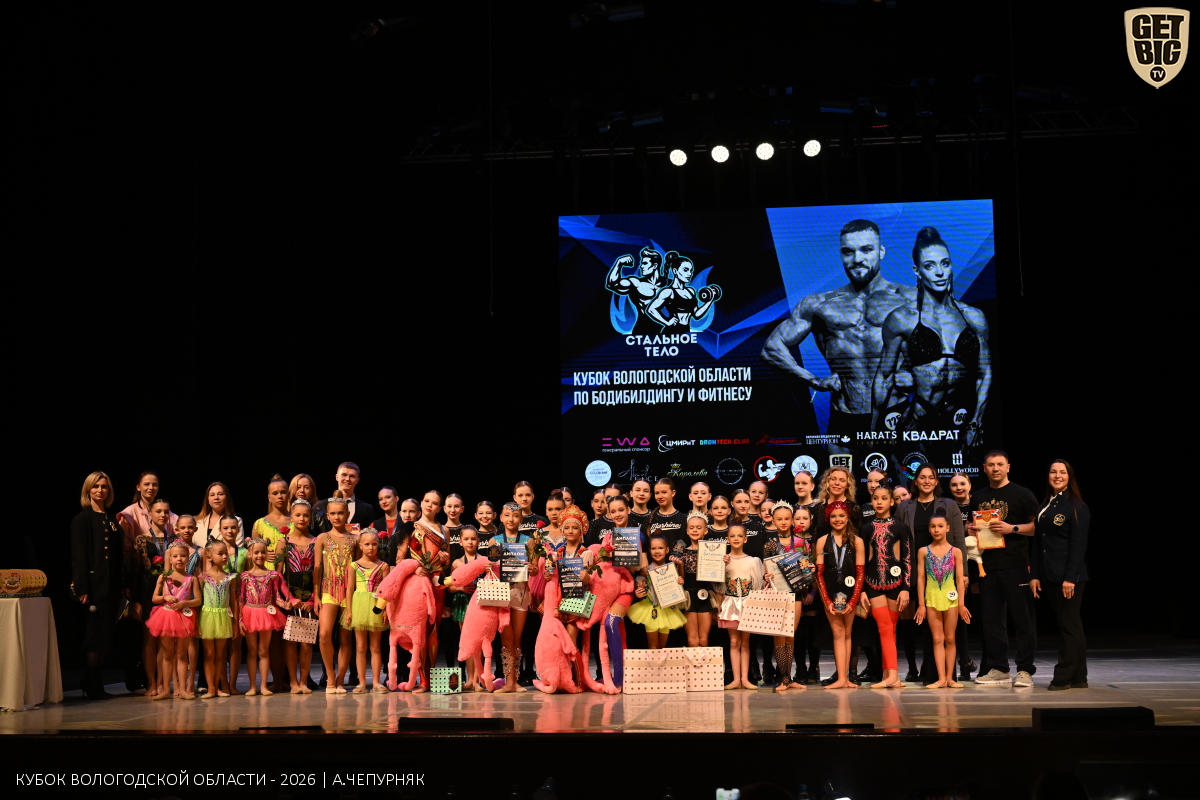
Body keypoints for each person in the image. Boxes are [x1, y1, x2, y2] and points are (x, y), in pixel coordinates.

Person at [761, 218, 911, 443]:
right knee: (837, 468)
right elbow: (771, 349)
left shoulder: (909, 300)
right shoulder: (820, 304)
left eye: (866, 250)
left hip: (896, 413)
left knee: (907, 467)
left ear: (881, 252)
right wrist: (814, 381)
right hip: (845, 415)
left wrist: (916, 375)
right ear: (841, 255)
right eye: (848, 252)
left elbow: (949, 351)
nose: (857, 259)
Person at [874, 226, 992, 447]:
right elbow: (884, 377)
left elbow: (984, 375)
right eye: (930, 266)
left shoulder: (974, 317)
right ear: (917, 271)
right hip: (919, 420)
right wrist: (873, 432)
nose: (939, 272)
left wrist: (976, 422)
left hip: (960, 419)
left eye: (945, 264)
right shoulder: (902, 319)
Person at [969, 450, 1040, 688]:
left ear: (1008, 467)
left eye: (1000, 464)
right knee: (992, 621)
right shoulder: (978, 497)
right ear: (984, 468)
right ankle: (999, 668)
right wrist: (971, 529)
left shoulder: (1022, 493)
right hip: (988, 567)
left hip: (1016, 564)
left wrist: (1013, 529)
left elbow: (1037, 527)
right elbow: (973, 526)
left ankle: (1025, 670)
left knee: (1023, 620)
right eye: (991, 465)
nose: (995, 468)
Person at [896, 463, 964, 685]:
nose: (926, 481)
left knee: (950, 633)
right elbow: (898, 540)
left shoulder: (949, 505)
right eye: (922, 477)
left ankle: (948, 676)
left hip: (947, 572)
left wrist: (963, 574)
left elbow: (959, 539)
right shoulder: (905, 507)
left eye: (931, 477)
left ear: (936, 481)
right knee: (926, 627)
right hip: (918, 571)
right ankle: (931, 674)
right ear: (915, 481)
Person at [1030, 460, 1091, 691]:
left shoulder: (1077, 506)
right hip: (1050, 574)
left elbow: (1079, 546)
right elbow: (1039, 543)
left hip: (1069, 577)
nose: (1057, 476)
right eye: (1053, 472)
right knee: (1072, 625)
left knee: (1068, 627)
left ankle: (1063, 676)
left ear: (1069, 477)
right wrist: (1035, 574)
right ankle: (1079, 676)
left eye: (1062, 472)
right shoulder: (1046, 504)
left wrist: (1070, 578)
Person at [71, 471, 123, 700]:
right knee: (94, 638)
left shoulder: (111, 518)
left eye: (104, 487)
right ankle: (91, 684)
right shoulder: (82, 519)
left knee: (104, 639)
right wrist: (82, 588)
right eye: (96, 486)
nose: (100, 490)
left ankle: (94, 683)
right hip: (93, 588)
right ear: (88, 490)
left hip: (111, 587)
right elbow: (79, 556)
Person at [862, 484, 912, 689]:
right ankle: (892, 675)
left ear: (892, 501)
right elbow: (862, 561)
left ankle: (890, 675)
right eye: (876, 498)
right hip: (872, 582)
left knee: (890, 629)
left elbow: (907, 558)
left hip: (895, 582)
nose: (879, 502)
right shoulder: (866, 528)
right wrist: (862, 590)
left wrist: (906, 588)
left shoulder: (901, 527)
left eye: (884, 498)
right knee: (884, 627)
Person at [914, 511, 970, 689]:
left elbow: (959, 580)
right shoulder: (923, 551)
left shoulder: (956, 552)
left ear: (947, 528)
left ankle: (950, 678)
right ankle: (940, 678)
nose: (936, 530)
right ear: (929, 529)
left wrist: (961, 604)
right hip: (931, 598)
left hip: (950, 597)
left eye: (940, 526)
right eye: (933, 526)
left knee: (950, 638)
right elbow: (920, 579)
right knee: (937, 639)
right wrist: (921, 604)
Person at [815, 502, 865, 689]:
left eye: (841, 516)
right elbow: (819, 573)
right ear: (828, 519)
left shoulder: (857, 541)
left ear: (848, 517)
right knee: (838, 633)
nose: (838, 519)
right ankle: (841, 678)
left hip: (850, 593)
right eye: (834, 516)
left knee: (848, 633)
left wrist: (853, 600)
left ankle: (846, 678)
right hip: (830, 593)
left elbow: (860, 573)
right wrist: (826, 600)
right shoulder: (822, 541)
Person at [762, 502, 810, 693]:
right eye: (779, 519)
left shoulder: (801, 543)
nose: (783, 522)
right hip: (777, 595)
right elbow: (765, 569)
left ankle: (788, 678)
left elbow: (806, 568)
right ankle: (783, 678)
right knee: (779, 636)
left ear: (792, 521)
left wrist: (809, 569)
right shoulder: (770, 544)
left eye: (787, 519)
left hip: (795, 593)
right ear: (773, 521)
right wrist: (766, 576)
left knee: (790, 635)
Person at [238, 539, 295, 696]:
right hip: (249, 614)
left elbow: (276, 597)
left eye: (263, 552)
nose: (260, 555)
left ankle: (263, 686)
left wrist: (285, 604)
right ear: (249, 554)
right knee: (252, 651)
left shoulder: (273, 575)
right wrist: (240, 619)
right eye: (256, 552)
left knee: (264, 651)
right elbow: (241, 599)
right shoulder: (245, 576)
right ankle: (252, 686)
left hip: (266, 614)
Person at [128, 498, 172, 697]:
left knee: (165, 641)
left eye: (166, 511)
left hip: (168, 594)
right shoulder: (141, 540)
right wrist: (135, 601)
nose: (162, 515)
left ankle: (163, 683)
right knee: (149, 640)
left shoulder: (175, 539)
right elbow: (135, 573)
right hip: (147, 593)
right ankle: (151, 683)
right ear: (150, 515)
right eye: (158, 511)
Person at [313, 498, 359, 693]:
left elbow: (358, 567)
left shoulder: (355, 539)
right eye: (333, 513)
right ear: (327, 516)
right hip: (328, 590)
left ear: (347, 514)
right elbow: (317, 567)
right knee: (324, 634)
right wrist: (316, 596)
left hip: (348, 593)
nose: (337, 517)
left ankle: (340, 679)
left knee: (345, 637)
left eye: (340, 513)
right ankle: (330, 675)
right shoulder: (322, 538)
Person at [145, 540, 199, 700]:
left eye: (183, 556)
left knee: (182, 654)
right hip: (167, 617)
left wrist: (184, 603)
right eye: (175, 556)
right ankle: (165, 690)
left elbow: (198, 600)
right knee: (167, 654)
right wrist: (165, 597)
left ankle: (182, 690)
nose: (179, 559)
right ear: (170, 559)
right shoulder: (164, 577)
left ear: (188, 558)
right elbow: (154, 598)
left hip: (184, 618)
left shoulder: (192, 579)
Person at [716, 524, 764, 690]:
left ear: (745, 539)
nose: (736, 538)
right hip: (731, 604)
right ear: (727, 539)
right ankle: (736, 679)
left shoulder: (753, 561)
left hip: (747, 604)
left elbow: (757, 586)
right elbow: (719, 585)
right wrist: (722, 566)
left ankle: (745, 679)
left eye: (739, 536)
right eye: (732, 536)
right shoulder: (723, 560)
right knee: (734, 641)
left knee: (745, 642)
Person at [277, 498, 317, 693]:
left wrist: (313, 599)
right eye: (298, 515)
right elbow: (278, 575)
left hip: (309, 599)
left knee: (307, 643)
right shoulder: (284, 542)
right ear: (291, 517)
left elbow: (319, 574)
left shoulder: (316, 541)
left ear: (311, 517)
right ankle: (293, 682)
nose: (302, 518)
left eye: (306, 515)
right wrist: (290, 599)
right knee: (291, 642)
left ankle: (303, 682)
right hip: (290, 599)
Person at [342, 531, 390, 693]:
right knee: (361, 646)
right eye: (367, 544)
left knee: (375, 646)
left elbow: (386, 591)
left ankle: (376, 682)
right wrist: (349, 611)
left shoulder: (383, 566)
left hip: (376, 605)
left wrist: (385, 609)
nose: (371, 547)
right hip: (360, 605)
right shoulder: (354, 566)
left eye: (374, 544)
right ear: (360, 546)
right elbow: (349, 589)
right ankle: (362, 683)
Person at [490, 502, 530, 693]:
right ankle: (508, 682)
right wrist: (492, 565)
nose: (511, 519)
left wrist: (532, 568)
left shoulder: (528, 541)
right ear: (501, 517)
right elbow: (491, 568)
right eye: (507, 515)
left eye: (515, 515)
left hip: (521, 591)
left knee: (517, 638)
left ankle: (516, 681)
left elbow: (535, 570)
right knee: (506, 638)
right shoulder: (494, 541)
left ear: (521, 518)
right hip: (502, 592)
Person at [948, 471, 980, 680]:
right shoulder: (947, 506)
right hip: (954, 565)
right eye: (954, 485)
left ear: (969, 485)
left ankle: (985, 663)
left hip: (978, 564)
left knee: (979, 613)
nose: (959, 488)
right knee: (959, 615)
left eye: (962, 484)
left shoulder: (979, 504)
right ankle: (964, 661)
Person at [628, 534, 686, 648]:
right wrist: (639, 593)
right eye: (653, 548)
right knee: (653, 646)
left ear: (667, 550)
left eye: (660, 548)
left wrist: (680, 579)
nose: (657, 551)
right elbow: (641, 587)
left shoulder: (672, 569)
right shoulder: (645, 570)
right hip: (651, 609)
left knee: (662, 646)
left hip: (667, 609)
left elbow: (680, 582)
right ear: (649, 550)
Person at [197, 540, 237, 699]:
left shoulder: (230, 577)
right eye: (220, 554)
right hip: (207, 617)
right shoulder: (203, 577)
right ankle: (211, 688)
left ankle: (219, 687)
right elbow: (199, 602)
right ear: (209, 556)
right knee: (209, 654)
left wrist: (236, 622)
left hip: (223, 617)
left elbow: (234, 601)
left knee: (220, 655)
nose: (225, 556)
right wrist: (196, 623)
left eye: (226, 553)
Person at [645, 251, 721, 329]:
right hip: (672, 331)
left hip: (686, 330)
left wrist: (710, 301)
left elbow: (696, 315)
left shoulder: (691, 291)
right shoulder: (668, 292)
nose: (689, 274)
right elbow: (651, 309)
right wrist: (666, 322)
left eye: (691, 271)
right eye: (685, 270)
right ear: (675, 271)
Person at [449, 527, 485, 690]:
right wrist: (461, 588)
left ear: (478, 541)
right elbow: (450, 586)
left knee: (479, 643)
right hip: (463, 603)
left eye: (473, 539)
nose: (470, 542)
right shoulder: (456, 563)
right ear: (460, 542)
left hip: (480, 603)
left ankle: (477, 679)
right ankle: (470, 679)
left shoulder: (483, 560)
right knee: (468, 642)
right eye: (466, 539)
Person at [117, 471, 178, 565]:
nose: (151, 488)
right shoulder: (129, 514)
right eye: (146, 484)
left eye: (154, 485)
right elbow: (126, 547)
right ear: (138, 487)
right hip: (140, 564)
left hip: (168, 565)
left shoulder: (168, 514)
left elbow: (180, 537)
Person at [606, 246, 669, 335]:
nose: (641, 266)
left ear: (655, 266)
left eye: (645, 263)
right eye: (641, 263)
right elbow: (612, 284)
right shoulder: (636, 283)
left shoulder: (669, 283)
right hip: (643, 330)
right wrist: (619, 263)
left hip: (669, 332)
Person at [677, 516, 714, 648]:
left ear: (706, 531)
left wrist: (723, 563)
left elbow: (716, 575)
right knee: (693, 641)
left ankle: (705, 662)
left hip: (705, 595)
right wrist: (679, 567)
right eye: (691, 528)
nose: (695, 530)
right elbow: (681, 578)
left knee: (703, 640)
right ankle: (693, 662)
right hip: (689, 597)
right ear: (687, 531)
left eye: (699, 528)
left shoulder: (712, 552)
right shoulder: (682, 552)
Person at [315, 462, 376, 528]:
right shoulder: (321, 506)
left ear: (357, 481)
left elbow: (370, 532)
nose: (347, 479)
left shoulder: (367, 509)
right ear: (337, 477)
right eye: (344, 475)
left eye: (352, 476)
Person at [193, 482, 243, 546]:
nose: (216, 497)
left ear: (226, 498)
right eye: (212, 495)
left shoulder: (236, 521)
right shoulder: (195, 521)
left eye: (220, 494)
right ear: (208, 500)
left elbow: (238, 548)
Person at [644, 478, 688, 548]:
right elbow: (645, 547)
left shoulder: (683, 518)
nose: (660, 496)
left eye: (664, 492)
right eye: (657, 493)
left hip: (677, 555)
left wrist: (675, 555)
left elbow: (683, 542)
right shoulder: (649, 518)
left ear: (673, 493)